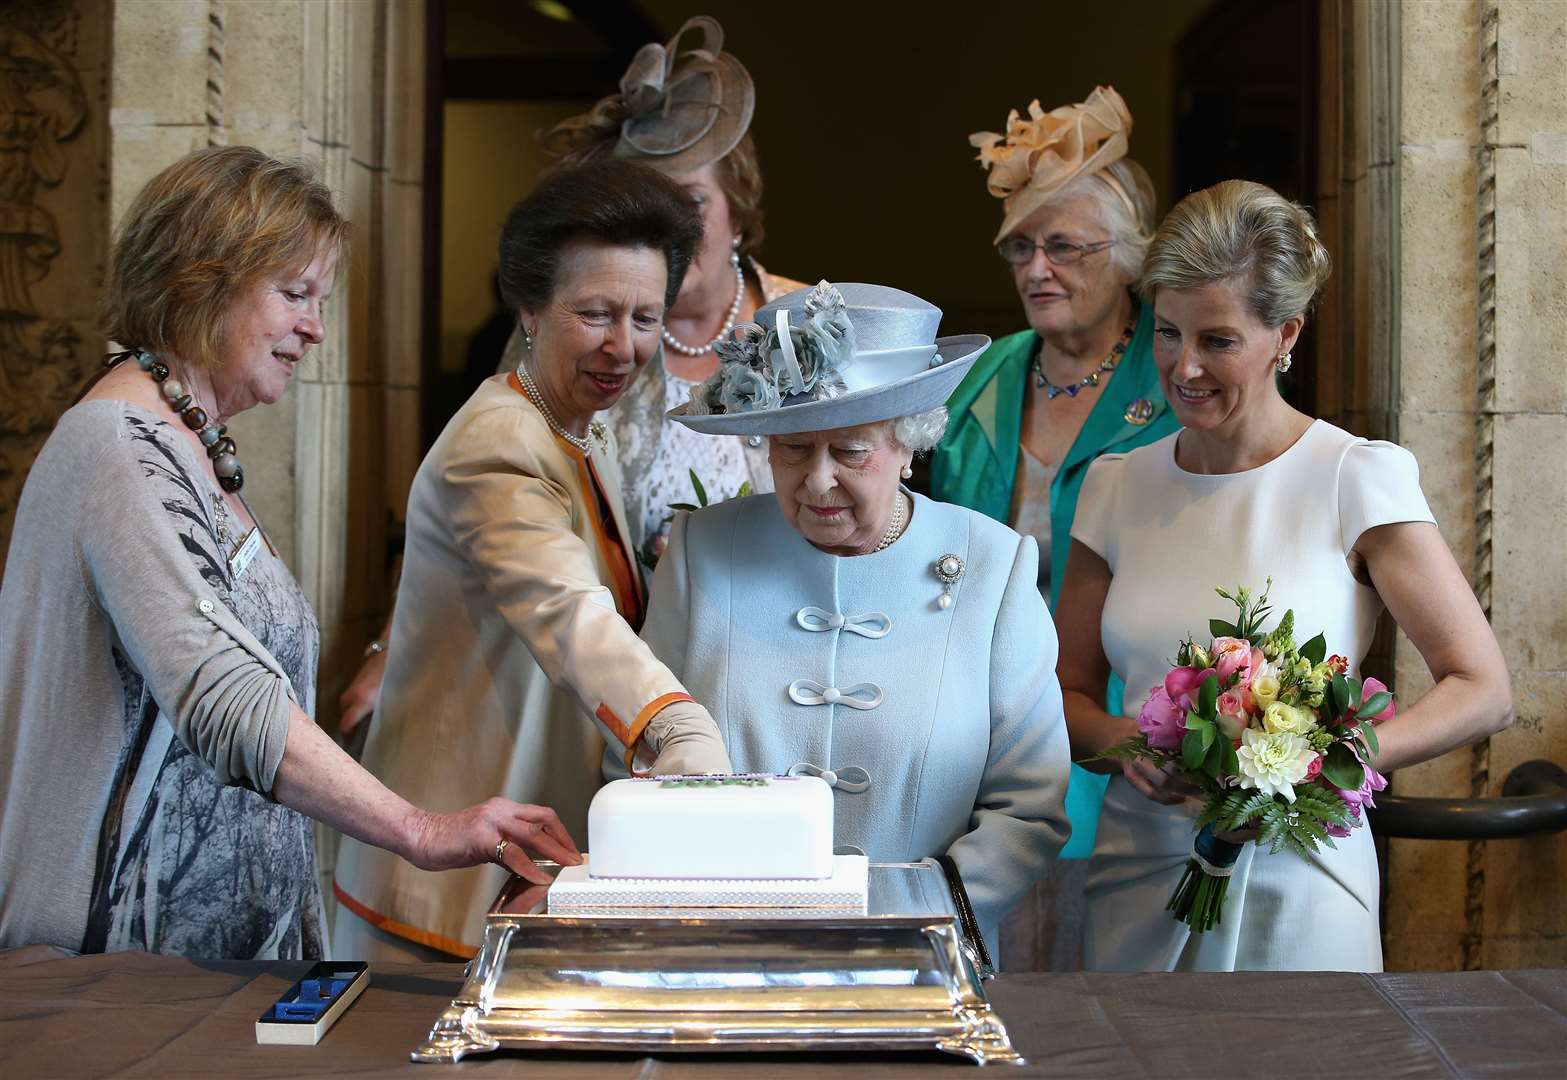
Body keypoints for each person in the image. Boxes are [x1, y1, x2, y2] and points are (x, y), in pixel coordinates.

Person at [0, 146, 579, 960]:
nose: (314, 327)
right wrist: (417, 828)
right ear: (202, 278)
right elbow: (223, 696)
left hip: (212, 971)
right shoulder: (116, 446)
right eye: (294, 294)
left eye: (322, 299)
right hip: (117, 970)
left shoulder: (188, 443)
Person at [1056, 180, 1514, 971]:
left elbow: (1483, 689)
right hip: (1138, 872)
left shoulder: (1353, 477)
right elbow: (1061, 693)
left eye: (1217, 340)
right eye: (1166, 333)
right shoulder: (1114, 484)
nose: (1184, 366)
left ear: (1284, 334)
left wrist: (1317, 765)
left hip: (1298, 883)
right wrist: (1125, 741)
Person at [335, 15, 802, 740]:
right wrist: (388, 646)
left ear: (737, 209)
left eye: (689, 202)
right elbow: (499, 511)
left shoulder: (803, 327)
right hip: (600, 690)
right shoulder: (564, 361)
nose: (662, 228)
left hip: (764, 671)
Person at [332, 160, 733, 962]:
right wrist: (676, 726)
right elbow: (567, 609)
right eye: (596, 314)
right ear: (529, 309)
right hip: (444, 890)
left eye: (647, 319)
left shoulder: (580, 420)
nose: (624, 347)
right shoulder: (498, 442)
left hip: (523, 858)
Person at [630, 281, 1074, 955]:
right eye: (793, 448)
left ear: (907, 441)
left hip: (920, 953)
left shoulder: (992, 567)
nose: (816, 480)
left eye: (850, 449)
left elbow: (1029, 805)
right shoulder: (702, 552)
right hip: (727, 949)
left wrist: (919, 917)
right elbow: (638, 753)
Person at [931, 86, 1180, 862]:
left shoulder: (1175, 386)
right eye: (1020, 247)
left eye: (1066, 246)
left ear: (1128, 254)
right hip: (969, 720)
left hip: (1120, 729)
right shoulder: (978, 377)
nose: (1037, 269)